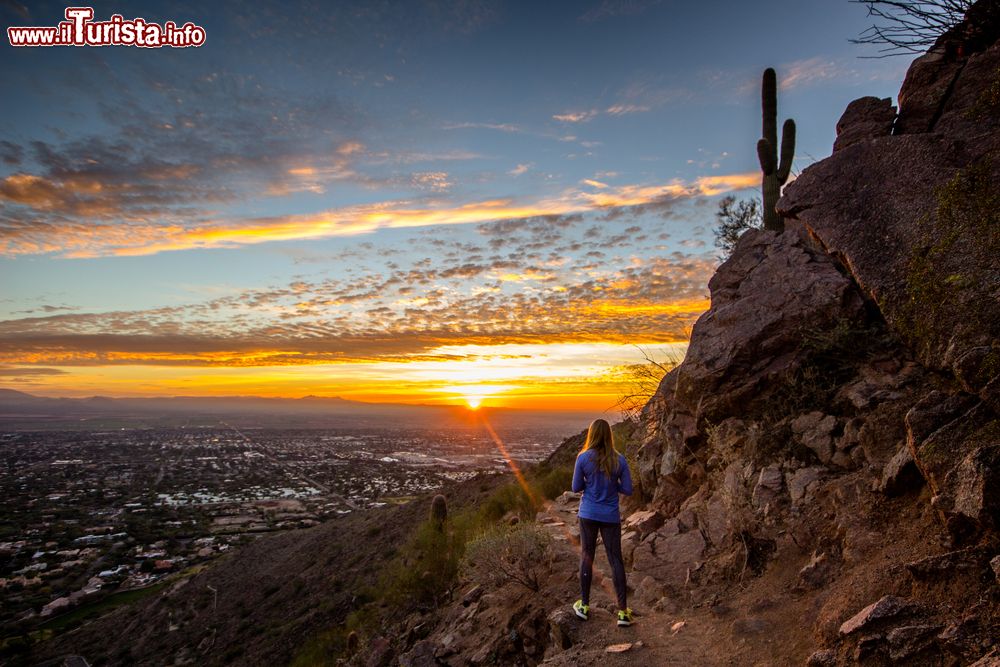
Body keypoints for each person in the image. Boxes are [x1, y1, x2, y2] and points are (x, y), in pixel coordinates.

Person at [571, 418, 634, 627]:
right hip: (610, 516)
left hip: (588, 513)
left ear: (592, 434)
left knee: (587, 556)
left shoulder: (583, 458)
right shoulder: (619, 460)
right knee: (615, 560)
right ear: (609, 435)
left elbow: (575, 487)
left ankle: (584, 606)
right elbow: (628, 489)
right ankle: (623, 612)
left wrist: (592, 484)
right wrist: (612, 483)